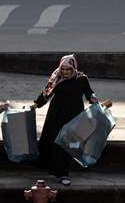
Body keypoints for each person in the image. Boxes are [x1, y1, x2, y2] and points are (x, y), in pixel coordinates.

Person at [32, 54, 98, 186]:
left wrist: (93, 98)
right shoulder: (56, 77)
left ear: (73, 68)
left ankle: (63, 173)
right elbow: (47, 93)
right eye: (63, 69)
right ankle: (58, 172)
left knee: (68, 143)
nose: (65, 72)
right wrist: (36, 105)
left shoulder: (81, 79)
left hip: (74, 116)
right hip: (56, 115)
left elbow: (89, 92)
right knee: (55, 141)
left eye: (68, 69)